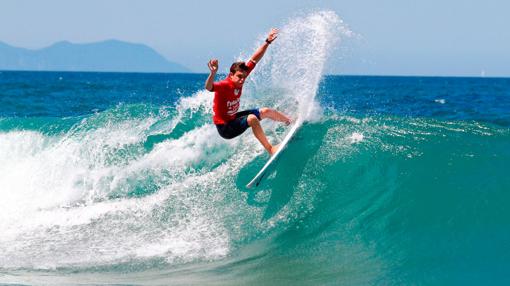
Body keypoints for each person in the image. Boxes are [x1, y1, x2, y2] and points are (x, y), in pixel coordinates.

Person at [205, 28, 291, 155]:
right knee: (252, 119)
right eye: (239, 76)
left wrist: (267, 42)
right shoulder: (225, 85)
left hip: (233, 118)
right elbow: (208, 87)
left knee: (266, 111)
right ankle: (270, 149)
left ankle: (290, 122)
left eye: (244, 76)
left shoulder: (242, 75)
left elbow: (255, 59)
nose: (242, 80)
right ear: (231, 75)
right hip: (225, 128)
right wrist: (213, 73)